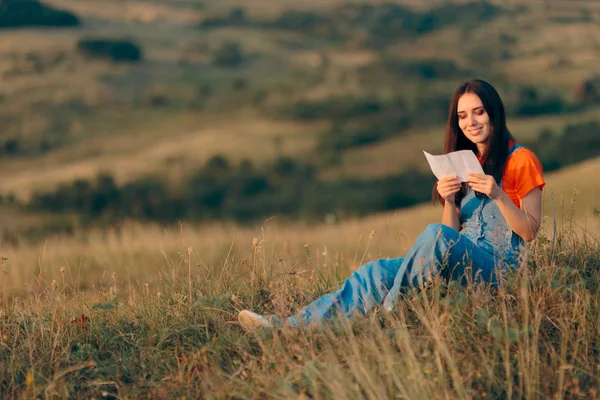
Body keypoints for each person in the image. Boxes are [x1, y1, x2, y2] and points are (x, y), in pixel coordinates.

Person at [238, 79, 545, 331]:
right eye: (462, 116)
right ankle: (284, 328)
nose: (471, 122)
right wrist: (449, 199)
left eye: (478, 112)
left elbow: (530, 231)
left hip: (501, 271)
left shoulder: (520, 159)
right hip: (461, 264)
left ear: (494, 113)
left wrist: (499, 195)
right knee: (374, 273)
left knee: (432, 236)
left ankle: (390, 309)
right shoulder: (465, 162)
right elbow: (450, 236)